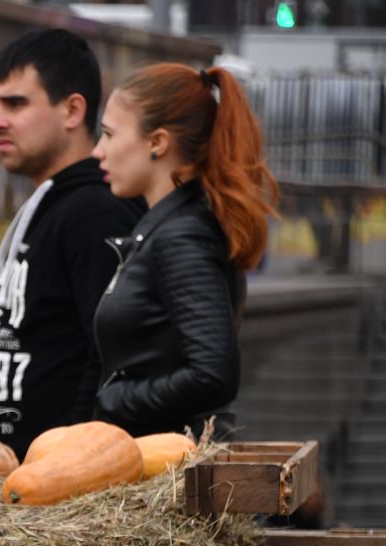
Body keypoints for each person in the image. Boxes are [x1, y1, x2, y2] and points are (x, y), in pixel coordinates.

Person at [0, 29, 144, 458]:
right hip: (13, 486)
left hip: (61, 488)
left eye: (15, 103)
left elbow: (112, 355)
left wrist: (71, 461)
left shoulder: (96, 211)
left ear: (72, 110)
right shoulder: (52, 201)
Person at [89, 63, 276, 433]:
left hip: (171, 470)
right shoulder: (172, 226)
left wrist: (113, 401)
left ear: (157, 142)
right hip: (160, 462)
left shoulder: (181, 236)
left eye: (109, 135)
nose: (98, 151)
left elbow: (213, 374)